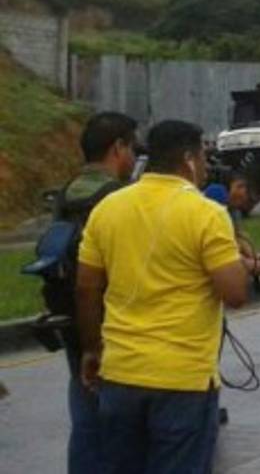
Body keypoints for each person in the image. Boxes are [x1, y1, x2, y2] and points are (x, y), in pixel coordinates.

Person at [75, 120, 251, 474]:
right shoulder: (206, 213)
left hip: (120, 375)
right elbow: (235, 294)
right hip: (183, 381)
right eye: (202, 158)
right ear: (188, 159)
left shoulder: (108, 208)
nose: (205, 168)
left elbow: (86, 288)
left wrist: (92, 349)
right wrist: (243, 265)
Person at [45, 112, 139, 474]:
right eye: (132, 148)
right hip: (112, 319)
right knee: (123, 426)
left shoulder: (67, 191)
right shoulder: (118, 196)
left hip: (70, 313)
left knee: (84, 418)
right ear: (118, 148)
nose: (134, 158)